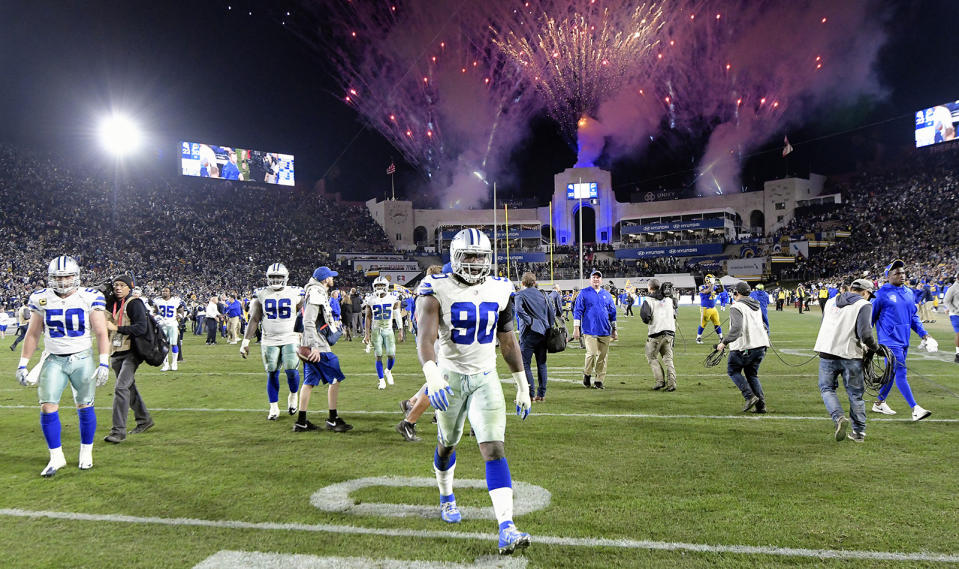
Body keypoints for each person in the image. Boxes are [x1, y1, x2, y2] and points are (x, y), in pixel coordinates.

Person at [414, 228, 532, 555]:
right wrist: (432, 374)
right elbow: (425, 338)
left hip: (486, 377)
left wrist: (522, 384)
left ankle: (506, 526)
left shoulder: (501, 288)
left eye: (480, 256)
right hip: (450, 377)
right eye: (469, 255)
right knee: (447, 444)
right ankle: (446, 495)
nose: (476, 261)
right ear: (455, 256)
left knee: (494, 448)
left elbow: (508, 341)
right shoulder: (436, 288)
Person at [16, 256, 111, 476]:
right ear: (51, 278)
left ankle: (86, 453)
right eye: (58, 277)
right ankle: (56, 457)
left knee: (85, 405)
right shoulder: (41, 298)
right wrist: (23, 364)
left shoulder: (90, 296)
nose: (63, 281)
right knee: (47, 406)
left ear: (76, 276)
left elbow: (100, 332)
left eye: (67, 276)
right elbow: (33, 333)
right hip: (53, 359)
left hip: (82, 358)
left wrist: (104, 361)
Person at [814, 279, 879, 443]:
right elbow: (865, 334)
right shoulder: (864, 305)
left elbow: (824, 325)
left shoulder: (830, 302)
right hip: (851, 355)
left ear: (851, 288)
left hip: (827, 352)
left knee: (827, 389)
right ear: (866, 292)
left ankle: (838, 417)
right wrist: (875, 348)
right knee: (855, 395)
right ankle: (858, 433)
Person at [870, 260, 934, 421]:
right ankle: (915, 409)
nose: (902, 275)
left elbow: (913, 317)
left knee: (891, 374)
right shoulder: (880, 294)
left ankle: (878, 403)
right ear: (888, 276)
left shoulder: (908, 292)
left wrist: (924, 335)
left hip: (904, 341)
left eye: (903, 272)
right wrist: (864, 340)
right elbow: (869, 318)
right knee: (901, 372)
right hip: (889, 342)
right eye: (897, 273)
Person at [240, 263, 304, 421]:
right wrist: (245, 341)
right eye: (273, 277)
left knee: (291, 370)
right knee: (272, 371)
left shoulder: (296, 292)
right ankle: (273, 407)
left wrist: (305, 336)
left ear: (286, 278)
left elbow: (304, 316)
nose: (275, 280)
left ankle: (293, 395)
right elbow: (254, 318)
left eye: (279, 277)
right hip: (269, 339)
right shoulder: (261, 293)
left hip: (291, 336)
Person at [295, 266, 352, 433]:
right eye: (330, 277)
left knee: (309, 382)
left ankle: (301, 421)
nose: (332, 279)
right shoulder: (316, 293)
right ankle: (333, 419)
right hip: (318, 345)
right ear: (325, 279)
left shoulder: (314, 291)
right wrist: (313, 347)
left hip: (312, 342)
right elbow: (308, 321)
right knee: (335, 378)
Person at [104, 275, 155, 444]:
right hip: (117, 350)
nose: (118, 288)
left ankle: (118, 431)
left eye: (122, 285)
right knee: (129, 387)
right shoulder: (112, 303)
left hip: (133, 351)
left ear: (129, 287)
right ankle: (144, 419)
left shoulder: (134, 303)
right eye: (116, 285)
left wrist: (116, 327)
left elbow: (141, 327)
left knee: (120, 388)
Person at [716, 282, 770, 413]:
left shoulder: (737, 307)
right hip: (760, 345)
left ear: (736, 293)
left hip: (746, 346)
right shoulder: (756, 305)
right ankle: (761, 405)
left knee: (733, 370)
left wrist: (724, 342)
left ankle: (749, 396)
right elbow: (764, 324)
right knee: (752, 374)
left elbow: (736, 329)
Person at [573, 269, 617, 389]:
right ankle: (587, 374)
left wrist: (614, 329)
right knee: (591, 354)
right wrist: (576, 328)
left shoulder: (607, 295)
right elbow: (577, 311)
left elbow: (613, 313)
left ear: (601, 280)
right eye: (594, 277)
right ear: (590, 279)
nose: (596, 279)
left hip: (605, 330)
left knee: (602, 357)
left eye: (598, 277)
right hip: (589, 329)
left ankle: (599, 380)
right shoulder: (583, 293)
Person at [515, 271, 553, 402]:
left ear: (523, 283)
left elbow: (518, 310)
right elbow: (551, 312)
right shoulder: (544, 294)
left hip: (529, 333)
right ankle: (541, 394)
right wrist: (549, 328)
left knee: (525, 364)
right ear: (535, 282)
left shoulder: (520, 294)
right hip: (544, 333)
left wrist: (529, 321)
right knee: (542, 364)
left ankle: (530, 394)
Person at [364, 276, 404, 390]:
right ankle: (381, 380)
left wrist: (401, 330)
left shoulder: (393, 298)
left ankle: (388, 371)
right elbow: (368, 317)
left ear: (386, 286)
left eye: (381, 285)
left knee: (391, 355)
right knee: (378, 356)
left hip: (388, 330)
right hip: (376, 331)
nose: (379, 287)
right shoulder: (370, 299)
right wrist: (366, 334)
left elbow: (397, 315)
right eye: (377, 286)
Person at [640, 279, 677, 391]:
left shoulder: (648, 299)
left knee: (651, 356)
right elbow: (675, 308)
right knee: (668, 359)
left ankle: (660, 381)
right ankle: (672, 384)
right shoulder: (669, 299)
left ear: (649, 287)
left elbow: (645, 318)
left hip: (656, 333)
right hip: (670, 333)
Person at [153, 286, 184, 371]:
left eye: (166, 291)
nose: (164, 292)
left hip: (172, 324)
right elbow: (155, 311)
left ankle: (174, 363)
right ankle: (165, 364)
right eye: (163, 291)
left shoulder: (175, 300)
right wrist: (156, 316)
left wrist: (180, 316)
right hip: (162, 325)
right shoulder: (157, 301)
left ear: (170, 293)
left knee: (174, 344)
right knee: (163, 345)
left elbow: (181, 310)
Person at [696, 274, 724, 344]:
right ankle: (698, 338)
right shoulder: (701, 287)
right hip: (705, 308)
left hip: (713, 308)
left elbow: (721, 290)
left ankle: (721, 338)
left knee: (717, 323)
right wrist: (712, 284)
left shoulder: (713, 286)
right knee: (703, 324)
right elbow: (706, 291)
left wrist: (720, 283)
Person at [944, 273, 959, 364]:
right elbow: (946, 301)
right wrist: (954, 309)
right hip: (955, 314)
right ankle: (958, 354)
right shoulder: (953, 288)